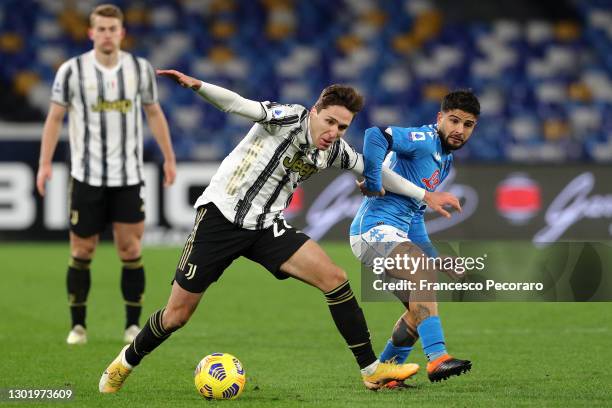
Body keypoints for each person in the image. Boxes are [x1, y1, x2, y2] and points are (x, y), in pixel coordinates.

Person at [97, 69, 443, 393]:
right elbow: (238, 105)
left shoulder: (333, 150)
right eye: (330, 122)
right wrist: (198, 86)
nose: (334, 132)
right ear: (314, 112)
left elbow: (375, 170)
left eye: (343, 127)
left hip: (266, 227)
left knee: (335, 278)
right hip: (220, 219)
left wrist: (424, 193)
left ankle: (371, 370)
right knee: (176, 316)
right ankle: (124, 362)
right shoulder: (289, 118)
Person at [36, 4, 176, 345]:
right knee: (82, 251)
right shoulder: (71, 71)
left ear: (122, 33)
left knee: (130, 249)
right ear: (91, 32)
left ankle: (131, 325)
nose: (107, 35)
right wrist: (44, 164)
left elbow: (154, 113)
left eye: (113, 29)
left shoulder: (140, 70)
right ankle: (78, 326)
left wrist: (169, 158)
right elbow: (55, 118)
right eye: (101, 29)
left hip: (128, 176)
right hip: (86, 176)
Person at [349, 90, 479, 384]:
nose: (459, 130)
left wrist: (437, 260)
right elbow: (376, 134)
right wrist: (373, 179)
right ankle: (437, 359)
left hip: (391, 233)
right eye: (454, 120)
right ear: (440, 118)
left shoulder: (445, 161)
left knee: (419, 310)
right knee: (422, 274)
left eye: (468, 125)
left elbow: (415, 217)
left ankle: (384, 375)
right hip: (372, 229)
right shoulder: (423, 140)